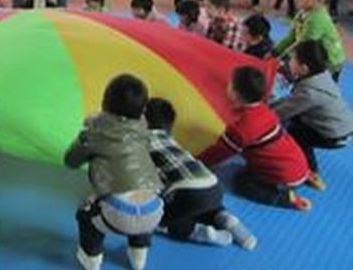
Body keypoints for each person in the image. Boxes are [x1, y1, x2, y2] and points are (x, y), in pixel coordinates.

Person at [64, 74, 163, 270]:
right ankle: (138, 254)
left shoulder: (93, 133)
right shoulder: (143, 127)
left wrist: (86, 136)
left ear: (104, 103)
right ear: (143, 109)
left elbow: (71, 161)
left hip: (118, 213)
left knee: (85, 215)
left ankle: (91, 257)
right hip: (154, 210)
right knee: (140, 203)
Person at [145, 98, 257, 250]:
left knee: (154, 219)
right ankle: (224, 217)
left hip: (186, 192)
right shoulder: (169, 140)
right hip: (214, 186)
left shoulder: (140, 142)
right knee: (201, 206)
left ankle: (198, 232)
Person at [199, 66, 311, 211]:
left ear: (235, 94)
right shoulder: (264, 110)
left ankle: (286, 199)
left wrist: (198, 161)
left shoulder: (241, 129)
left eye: (230, 83)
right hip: (298, 165)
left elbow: (219, 152)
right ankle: (304, 177)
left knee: (242, 183)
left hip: (285, 178)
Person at [272, 40, 353, 190]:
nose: (289, 61)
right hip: (341, 125)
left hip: (335, 134)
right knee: (292, 118)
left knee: (295, 132)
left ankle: (310, 171)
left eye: (293, 59)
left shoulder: (310, 93)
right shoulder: (321, 74)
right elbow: (290, 100)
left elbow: (280, 113)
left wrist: (260, 112)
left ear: (303, 68)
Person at [274, 0, 345, 81]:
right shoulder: (302, 13)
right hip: (313, 54)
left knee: (317, 85)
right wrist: (275, 51)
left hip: (330, 62)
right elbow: (291, 36)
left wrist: (282, 58)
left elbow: (303, 44)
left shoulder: (318, 19)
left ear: (321, 0)